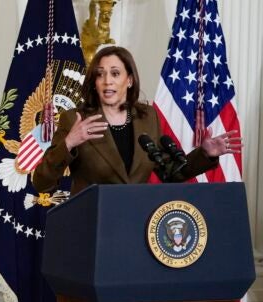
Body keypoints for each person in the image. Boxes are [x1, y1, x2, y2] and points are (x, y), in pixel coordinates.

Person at [32, 46, 242, 195]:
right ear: (94, 82)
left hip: (136, 221)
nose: (107, 81)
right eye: (100, 74)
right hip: (91, 224)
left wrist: (204, 154)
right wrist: (69, 143)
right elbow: (42, 182)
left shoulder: (147, 117)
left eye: (115, 73)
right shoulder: (75, 119)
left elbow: (169, 172)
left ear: (129, 80)